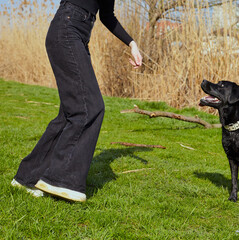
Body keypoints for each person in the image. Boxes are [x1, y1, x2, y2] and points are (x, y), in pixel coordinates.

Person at [11, 0, 142, 202]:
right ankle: (61, 180)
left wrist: (132, 44)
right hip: (67, 28)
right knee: (90, 107)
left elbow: (107, 16)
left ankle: (27, 177)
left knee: (69, 113)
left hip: (78, 34)